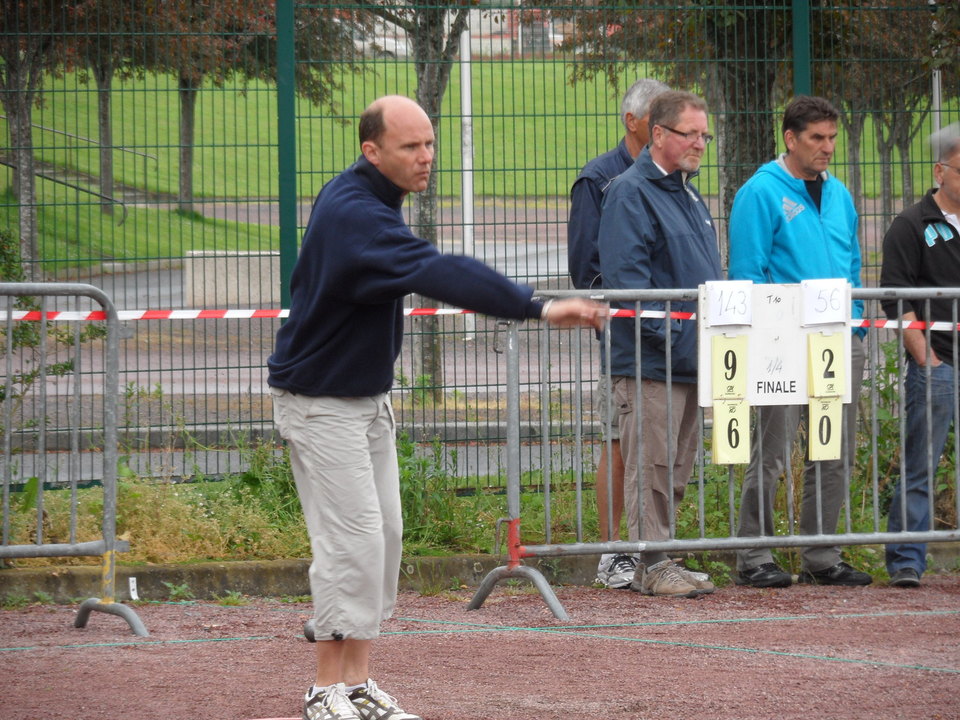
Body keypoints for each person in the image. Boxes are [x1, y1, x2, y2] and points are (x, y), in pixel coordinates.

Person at [267, 95, 606, 720]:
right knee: (354, 542)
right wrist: (537, 306)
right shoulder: (355, 214)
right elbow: (438, 269)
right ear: (372, 151)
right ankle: (325, 691)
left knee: (386, 537)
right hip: (319, 405)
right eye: (410, 147)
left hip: (364, 399)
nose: (426, 158)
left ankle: (359, 683)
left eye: (430, 143)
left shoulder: (366, 200)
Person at [728, 95, 872, 589]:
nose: (827, 147)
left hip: (836, 339)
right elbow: (746, 271)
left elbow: (851, 265)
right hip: (780, 341)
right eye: (817, 138)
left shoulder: (841, 195)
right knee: (770, 451)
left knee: (831, 449)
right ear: (790, 138)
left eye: (832, 138)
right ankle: (754, 554)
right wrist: (769, 331)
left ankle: (820, 553)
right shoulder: (760, 192)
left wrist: (851, 321)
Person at [598, 90, 723, 598]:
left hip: (689, 358)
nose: (700, 144)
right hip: (653, 362)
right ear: (659, 135)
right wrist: (677, 338)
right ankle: (649, 563)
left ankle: (662, 555)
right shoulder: (630, 192)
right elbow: (631, 287)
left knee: (674, 465)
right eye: (690, 134)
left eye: (705, 135)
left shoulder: (687, 191)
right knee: (650, 464)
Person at [567, 78, 670, 589]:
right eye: (659, 115)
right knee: (619, 437)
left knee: (661, 439)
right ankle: (615, 552)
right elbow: (586, 268)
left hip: (672, 334)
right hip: (627, 335)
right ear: (633, 122)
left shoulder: (673, 179)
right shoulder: (600, 180)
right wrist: (627, 316)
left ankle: (656, 547)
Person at [880, 122, 960, 588]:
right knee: (920, 465)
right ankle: (907, 560)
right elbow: (896, 298)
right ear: (940, 171)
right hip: (938, 363)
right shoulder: (911, 225)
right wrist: (926, 356)